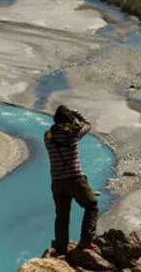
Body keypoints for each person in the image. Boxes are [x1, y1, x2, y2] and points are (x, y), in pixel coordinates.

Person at [45, 105, 99, 256]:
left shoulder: (47, 136)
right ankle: (86, 240)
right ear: (68, 119)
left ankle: (61, 246)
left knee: (62, 215)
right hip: (74, 178)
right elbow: (88, 125)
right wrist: (77, 114)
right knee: (91, 205)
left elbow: (56, 131)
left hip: (56, 181)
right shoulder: (73, 133)